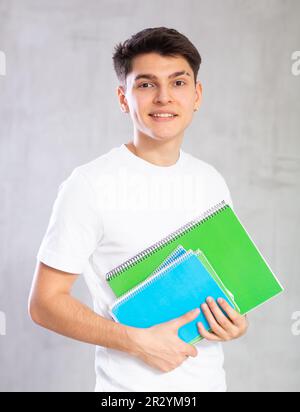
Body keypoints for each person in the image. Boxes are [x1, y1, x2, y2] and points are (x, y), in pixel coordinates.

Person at [29, 27, 248, 392]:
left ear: (197, 95)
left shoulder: (212, 181)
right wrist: (137, 342)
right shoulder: (89, 185)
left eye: (178, 83)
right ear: (123, 97)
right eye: (146, 85)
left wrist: (236, 321)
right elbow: (44, 303)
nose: (164, 97)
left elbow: (230, 291)